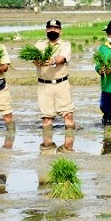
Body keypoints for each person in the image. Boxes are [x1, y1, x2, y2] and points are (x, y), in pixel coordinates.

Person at [33, 19, 75, 152]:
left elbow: (61, 59)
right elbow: (34, 59)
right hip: (44, 86)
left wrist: (50, 60)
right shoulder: (39, 45)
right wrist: (39, 61)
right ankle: (47, 149)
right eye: (50, 28)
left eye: (56, 29)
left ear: (60, 31)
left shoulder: (65, 44)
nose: (53, 31)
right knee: (46, 118)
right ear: (46, 30)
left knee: (68, 115)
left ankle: (68, 148)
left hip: (61, 84)